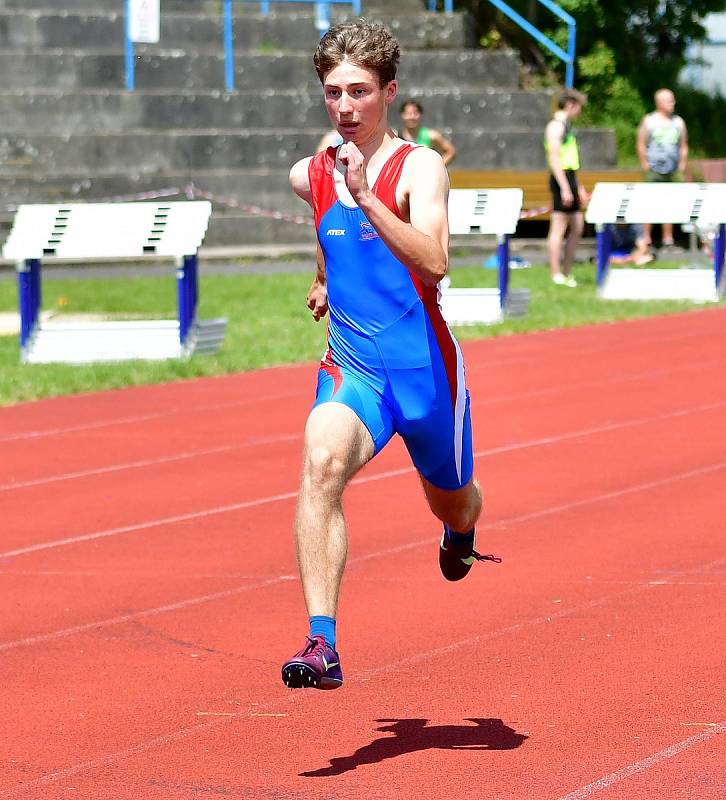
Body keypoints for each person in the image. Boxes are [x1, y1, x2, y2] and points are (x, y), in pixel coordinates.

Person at [281, 19, 497, 691]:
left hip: (426, 378)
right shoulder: (311, 172)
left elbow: (435, 262)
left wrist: (366, 196)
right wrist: (323, 276)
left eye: (360, 92)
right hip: (356, 372)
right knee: (320, 464)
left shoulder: (419, 168)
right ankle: (323, 643)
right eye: (333, 93)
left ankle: (462, 530)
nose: (345, 107)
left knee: (453, 504)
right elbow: (327, 228)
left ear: (389, 90)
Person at [544, 88, 588, 287]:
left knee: (577, 225)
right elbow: (554, 158)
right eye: (579, 107)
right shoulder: (556, 127)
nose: (580, 112)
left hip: (569, 177)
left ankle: (567, 270)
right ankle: (555, 273)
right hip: (560, 179)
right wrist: (564, 187)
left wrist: (578, 187)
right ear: (570, 105)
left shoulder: (567, 126)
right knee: (559, 227)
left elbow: (570, 161)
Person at [636, 88, 688, 249]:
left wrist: (682, 164)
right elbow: (641, 142)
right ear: (658, 103)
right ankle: (646, 239)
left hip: (672, 169)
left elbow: (683, 145)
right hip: (653, 168)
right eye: (668, 100)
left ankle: (668, 239)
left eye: (672, 99)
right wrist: (644, 163)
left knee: (670, 204)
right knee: (649, 203)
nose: (672, 103)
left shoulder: (678, 122)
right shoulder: (649, 120)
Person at [399, 100, 457, 166]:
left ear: (420, 115)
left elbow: (451, 152)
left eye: (415, 113)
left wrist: (437, 168)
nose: (412, 117)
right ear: (402, 115)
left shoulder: (431, 135)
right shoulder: (396, 137)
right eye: (408, 114)